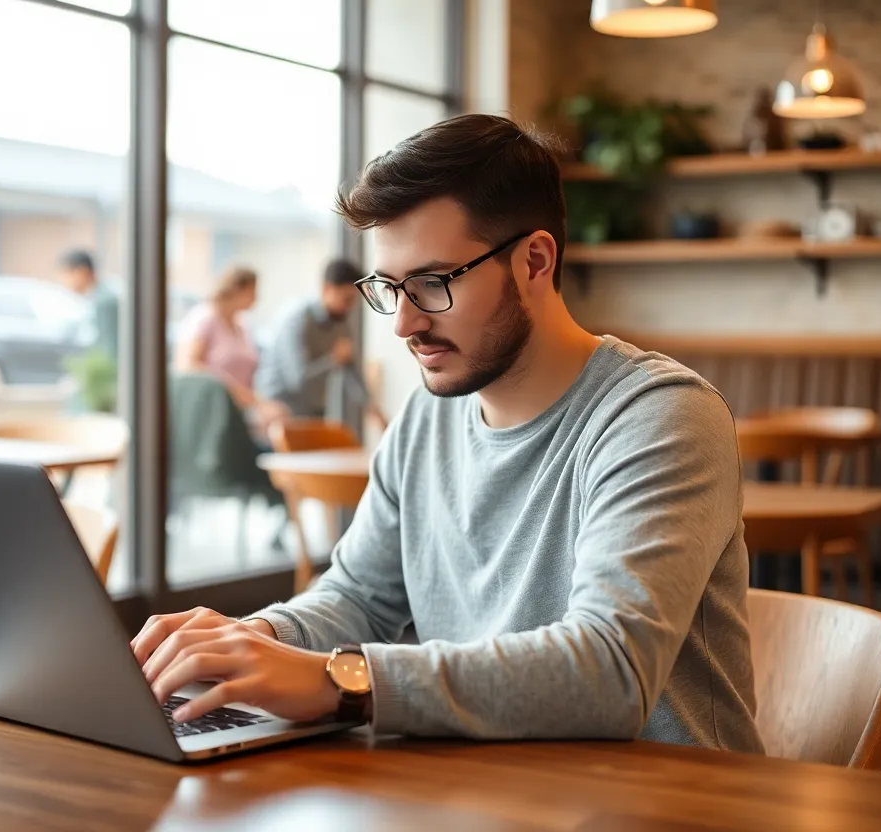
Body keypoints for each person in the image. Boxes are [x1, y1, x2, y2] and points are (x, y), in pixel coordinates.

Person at [130, 113, 764, 754]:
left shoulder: (660, 416)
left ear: (534, 262)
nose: (403, 324)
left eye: (432, 284)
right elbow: (358, 598)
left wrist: (339, 681)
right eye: (389, 288)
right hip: (481, 790)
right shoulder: (425, 418)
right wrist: (256, 641)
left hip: (665, 795)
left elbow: (612, 669)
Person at [255, 259, 387, 431]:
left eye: (353, 300)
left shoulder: (341, 321)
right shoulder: (297, 319)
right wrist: (334, 360)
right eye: (346, 299)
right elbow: (298, 380)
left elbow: (351, 368)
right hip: (280, 411)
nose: (350, 306)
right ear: (327, 289)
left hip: (313, 410)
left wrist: (374, 411)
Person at [173, 266, 289, 432]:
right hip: (209, 411)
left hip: (237, 411)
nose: (256, 298)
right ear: (237, 290)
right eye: (252, 291)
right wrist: (244, 396)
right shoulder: (204, 318)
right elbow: (189, 366)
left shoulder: (242, 325)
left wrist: (259, 403)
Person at [61, 249, 119, 365]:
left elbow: (110, 349)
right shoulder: (96, 298)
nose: (65, 282)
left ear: (81, 272)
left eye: (67, 275)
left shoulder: (104, 302)